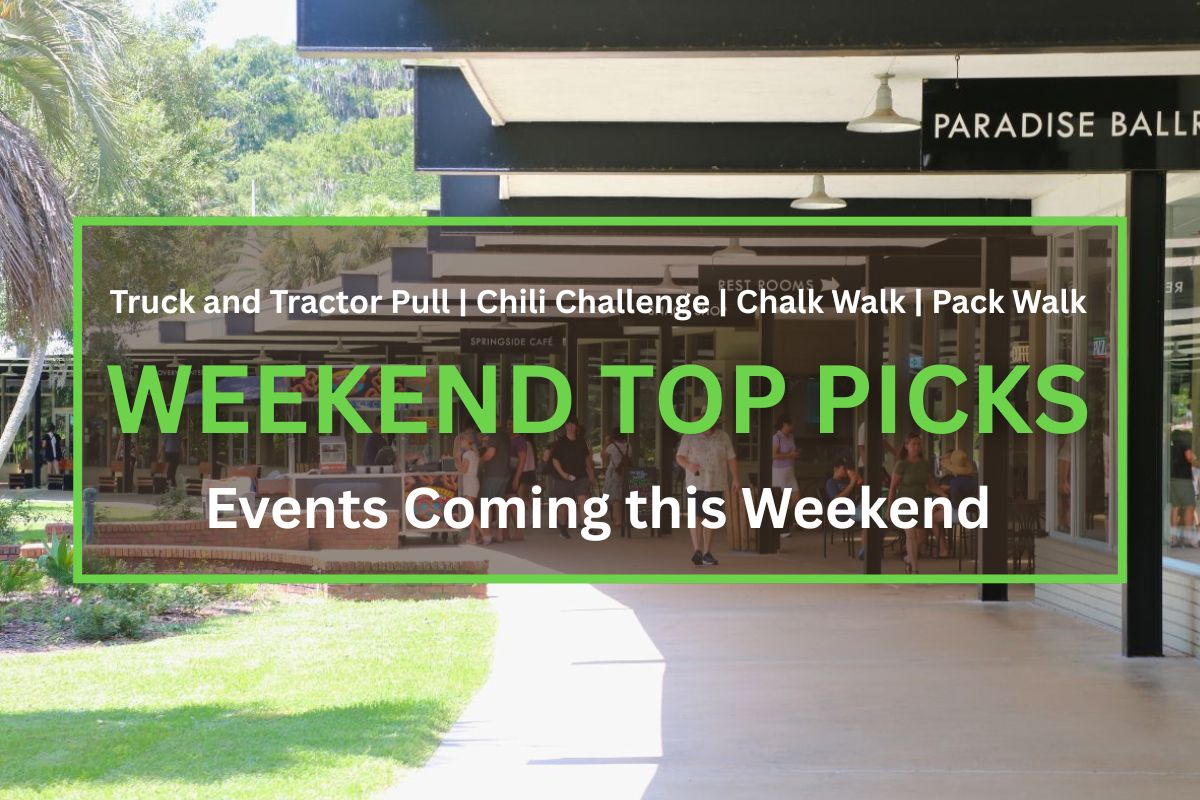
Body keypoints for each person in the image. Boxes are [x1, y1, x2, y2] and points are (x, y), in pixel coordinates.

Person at [675, 409, 740, 566]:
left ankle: (707, 552)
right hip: (696, 482)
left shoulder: (723, 437)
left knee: (711, 517)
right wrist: (689, 465)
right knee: (697, 516)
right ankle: (697, 549)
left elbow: (731, 458)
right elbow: (679, 456)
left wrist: (736, 478)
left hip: (716, 481)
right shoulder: (690, 435)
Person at [886, 431, 948, 574]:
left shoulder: (924, 464)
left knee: (922, 536)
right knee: (911, 534)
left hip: (921, 502)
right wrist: (890, 507)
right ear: (906, 446)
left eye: (918, 444)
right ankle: (915, 569)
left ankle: (909, 558)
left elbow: (930, 484)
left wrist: (942, 494)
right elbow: (893, 487)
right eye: (913, 444)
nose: (916, 447)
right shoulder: (901, 464)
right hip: (905, 503)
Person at [549, 417, 596, 539]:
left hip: (580, 476)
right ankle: (563, 528)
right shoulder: (561, 442)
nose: (570, 427)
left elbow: (586, 459)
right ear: (565, 427)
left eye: (572, 425)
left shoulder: (581, 442)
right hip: (563, 478)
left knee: (583, 500)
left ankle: (588, 527)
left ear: (576, 427)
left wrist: (591, 473)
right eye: (567, 425)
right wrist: (563, 474)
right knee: (564, 504)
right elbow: (555, 460)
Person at [935, 449, 979, 558]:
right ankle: (946, 547)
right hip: (975, 514)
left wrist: (945, 503)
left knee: (932, 518)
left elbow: (955, 504)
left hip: (961, 514)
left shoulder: (955, 482)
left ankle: (943, 549)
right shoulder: (974, 481)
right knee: (941, 512)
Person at [478, 423, 513, 543]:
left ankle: (486, 534)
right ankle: (500, 534)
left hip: (493, 474)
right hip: (504, 473)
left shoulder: (494, 435)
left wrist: (480, 461)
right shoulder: (505, 435)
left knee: (486, 504)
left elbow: (490, 453)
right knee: (500, 505)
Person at [825, 457, 864, 557]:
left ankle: (870, 545)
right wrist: (851, 483)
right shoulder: (831, 482)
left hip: (854, 509)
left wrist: (858, 480)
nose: (846, 471)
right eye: (844, 468)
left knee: (877, 515)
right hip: (841, 512)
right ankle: (865, 548)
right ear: (836, 469)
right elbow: (837, 499)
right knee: (870, 517)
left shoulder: (846, 481)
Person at [771, 416, 799, 538]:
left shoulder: (791, 437)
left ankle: (785, 519)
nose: (792, 427)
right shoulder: (776, 437)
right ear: (784, 424)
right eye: (790, 424)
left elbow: (792, 450)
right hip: (779, 471)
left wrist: (795, 454)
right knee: (782, 498)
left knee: (796, 496)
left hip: (790, 470)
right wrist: (789, 455)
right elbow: (774, 455)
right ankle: (781, 528)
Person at [1169, 430, 1198, 548]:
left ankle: (1174, 538)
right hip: (1184, 480)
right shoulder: (1185, 443)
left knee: (1175, 507)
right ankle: (1188, 538)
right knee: (1189, 506)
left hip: (1172, 479)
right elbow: (1189, 457)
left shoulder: (1172, 446)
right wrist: (1195, 459)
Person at [508, 419, 535, 542]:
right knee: (509, 501)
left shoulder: (520, 441)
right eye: (508, 424)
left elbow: (523, 459)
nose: (508, 427)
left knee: (515, 498)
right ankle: (505, 531)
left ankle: (520, 530)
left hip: (518, 473)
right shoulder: (510, 439)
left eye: (511, 424)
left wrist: (517, 477)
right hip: (510, 474)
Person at [455, 427, 483, 545]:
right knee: (471, 510)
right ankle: (472, 537)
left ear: (467, 442)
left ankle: (485, 533)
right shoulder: (474, 453)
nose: (460, 443)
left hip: (469, 483)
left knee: (470, 512)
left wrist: (457, 459)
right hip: (473, 482)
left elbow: (463, 470)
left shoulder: (466, 455)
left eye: (462, 441)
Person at [602, 427, 632, 529]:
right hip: (626, 473)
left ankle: (618, 520)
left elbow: (603, 455)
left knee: (616, 498)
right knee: (624, 497)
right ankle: (625, 519)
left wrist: (606, 443)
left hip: (615, 473)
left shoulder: (612, 446)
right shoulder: (629, 446)